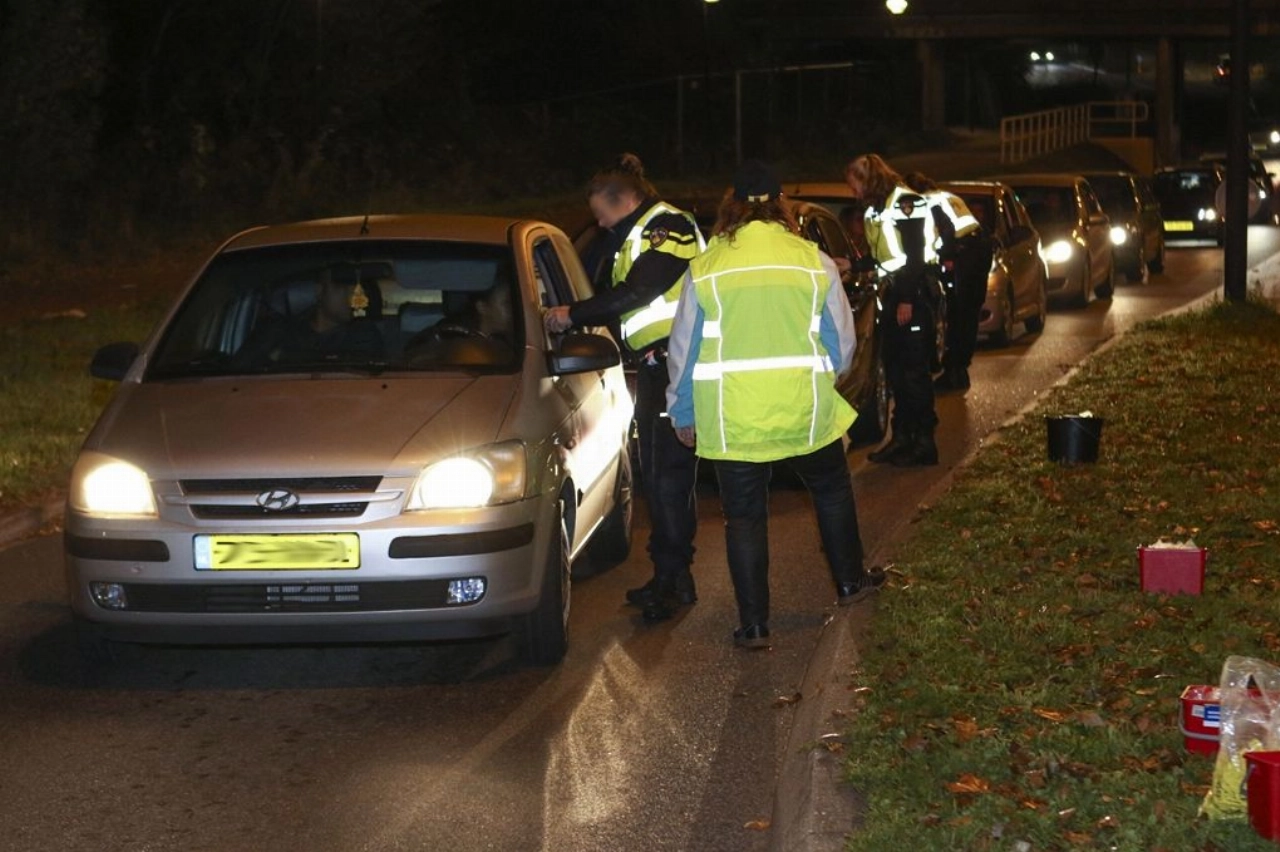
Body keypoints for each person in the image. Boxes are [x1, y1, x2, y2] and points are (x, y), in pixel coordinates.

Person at [666, 160, 885, 650]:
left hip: (732, 418)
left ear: (732, 208)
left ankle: (755, 624)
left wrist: (683, 414)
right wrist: (820, 378)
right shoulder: (812, 259)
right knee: (831, 491)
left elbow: (684, 351)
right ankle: (850, 583)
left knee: (744, 517)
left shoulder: (707, 267)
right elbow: (842, 344)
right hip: (803, 411)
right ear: (780, 204)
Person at [543, 153, 705, 622]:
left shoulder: (668, 227)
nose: (599, 222)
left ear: (625, 200)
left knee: (667, 476)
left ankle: (673, 581)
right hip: (658, 367)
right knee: (660, 475)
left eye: (602, 213)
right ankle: (673, 576)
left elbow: (638, 292)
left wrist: (570, 315)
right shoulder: (633, 233)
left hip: (675, 367)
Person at [846, 154, 946, 467]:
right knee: (896, 369)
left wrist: (906, 299)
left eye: (854, 185)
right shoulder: (877, 208)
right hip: (894, 292)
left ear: (868, 179)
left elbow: (914, 256)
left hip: (913, 293)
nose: (853, 192)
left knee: (914, 371)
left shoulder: (907, 203)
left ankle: (924, 441)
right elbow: (885, 257)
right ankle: (902, 436)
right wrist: (854, 265)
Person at [902, 171, 989, 392]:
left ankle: (955, 371)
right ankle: (959, 370)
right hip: (979, 251)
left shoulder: (928, 201)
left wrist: (948, 256)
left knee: (958, 315)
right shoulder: (946, 195)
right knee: (968, 316)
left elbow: (946, 228)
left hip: (964, 256)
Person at [243, 264, 384, 366]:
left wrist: (284, 356)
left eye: (356, 290)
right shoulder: (278, 331)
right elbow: (241, 371)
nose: (352, 296)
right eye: (342, 287)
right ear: (319, 290)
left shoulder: (364, 334)